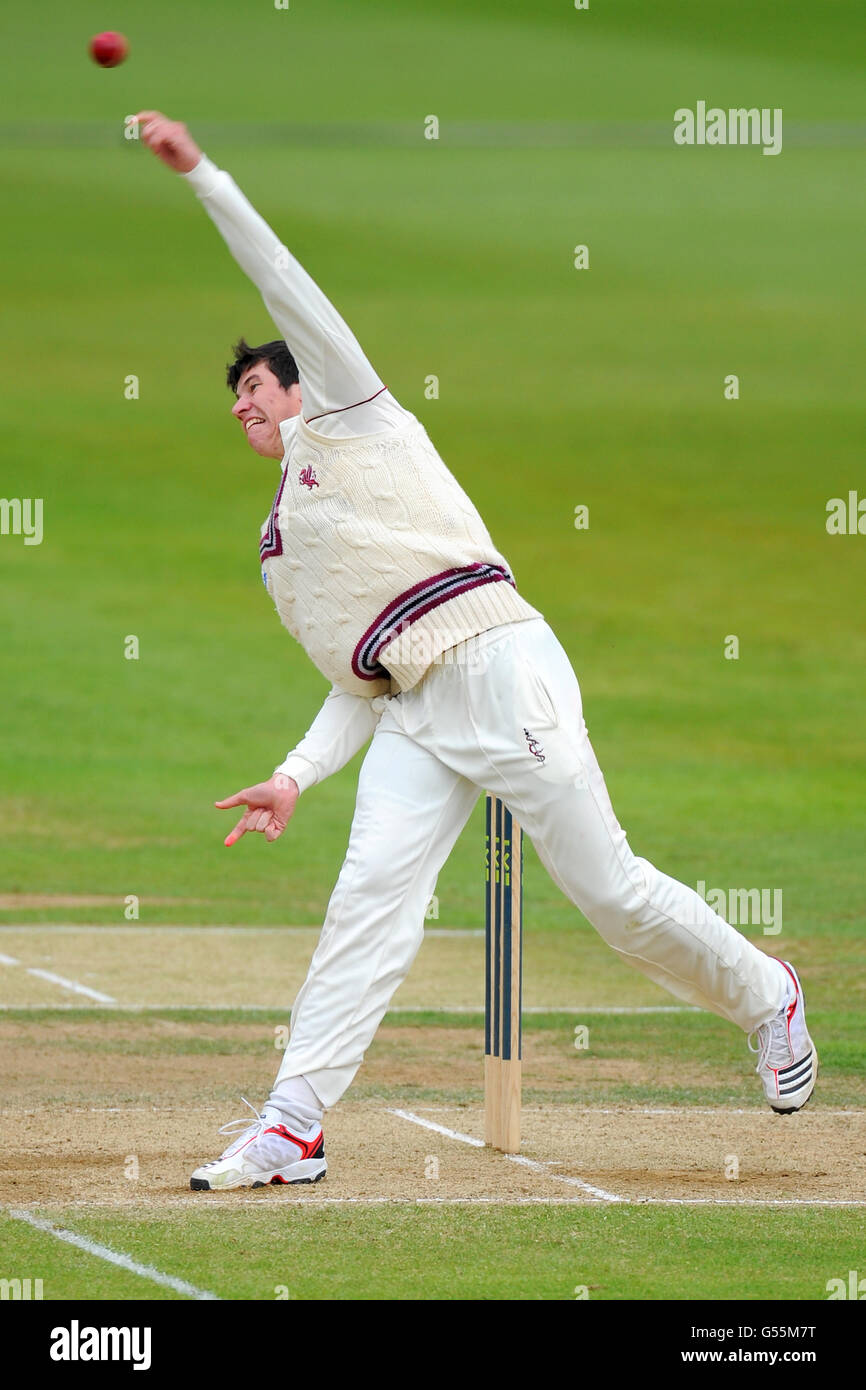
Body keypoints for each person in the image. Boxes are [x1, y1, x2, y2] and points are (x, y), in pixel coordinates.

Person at [133, 112, 816, 1191]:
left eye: (255, 386)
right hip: (414, 708)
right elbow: (355, 682)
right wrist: (294, 774)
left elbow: (286, 287)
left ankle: (764, 991)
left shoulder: (354, 416)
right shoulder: (277, 552)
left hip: (498, 661)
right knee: (367, 900)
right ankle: (291, 1125)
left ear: (300, 383)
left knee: (609, 894)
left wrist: (204, 176)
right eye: (234, 402)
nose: (241, 404)